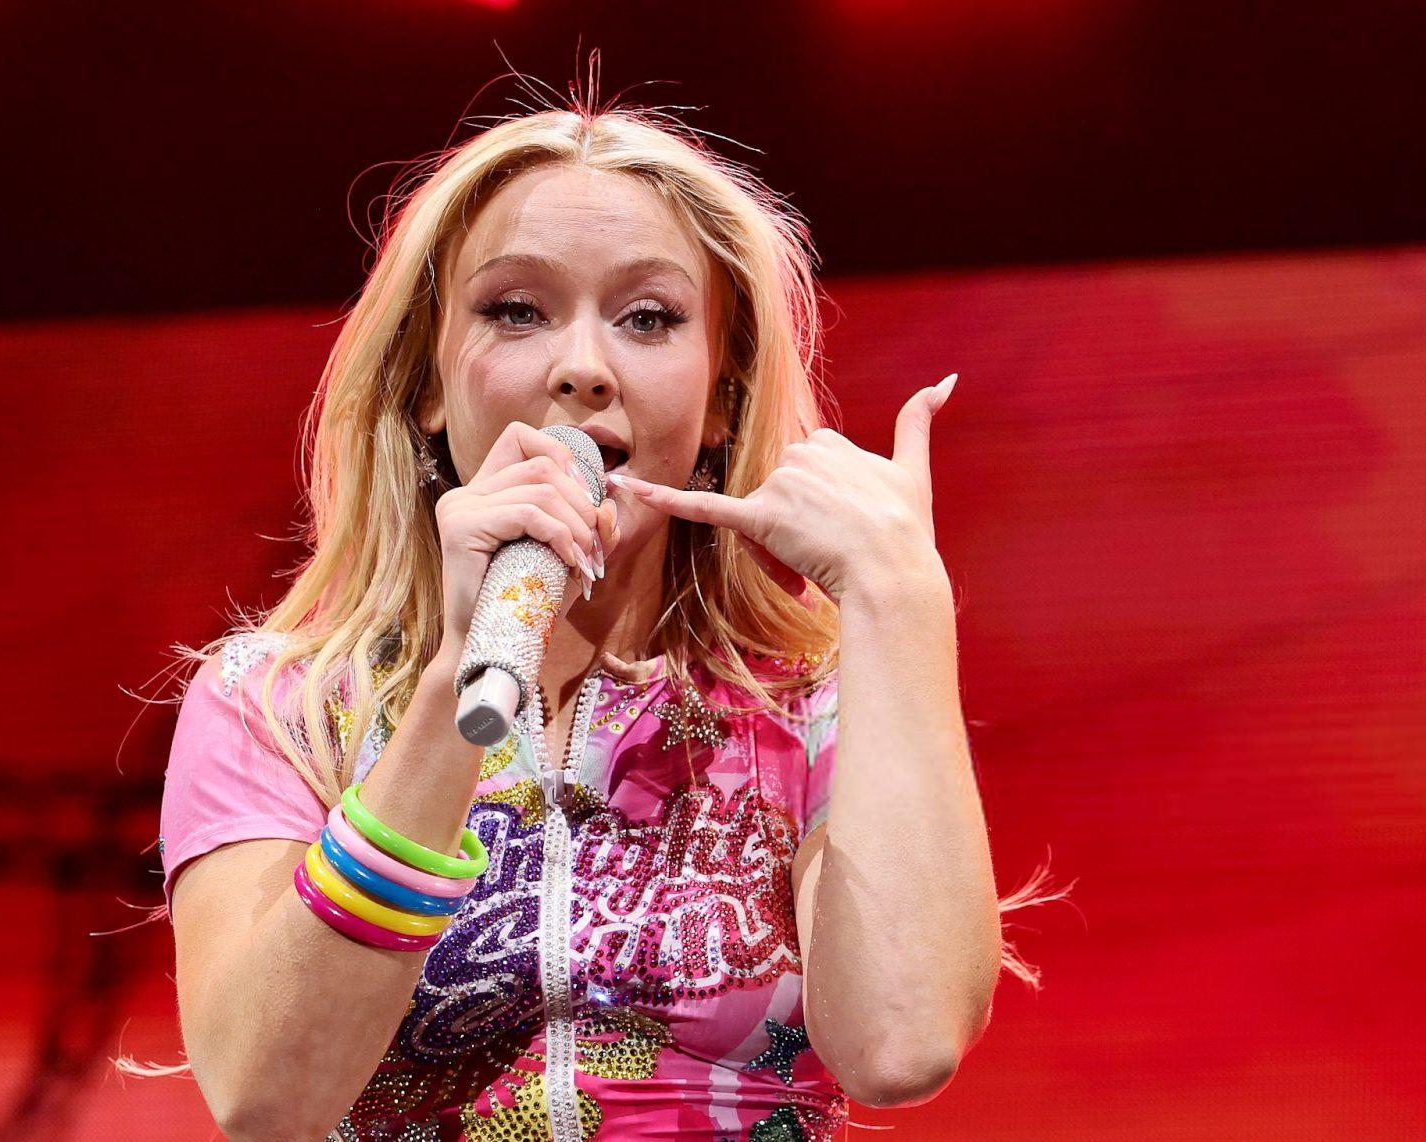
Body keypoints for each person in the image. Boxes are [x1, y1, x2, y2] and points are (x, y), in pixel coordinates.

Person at [152, 93, 1058, 1142]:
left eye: (648, 318)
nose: (582, 366)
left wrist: (899, 596)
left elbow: (902, 1043)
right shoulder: (277, 703)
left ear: (722, 400)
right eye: (515, 310)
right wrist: (454, 678)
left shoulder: (813, 699)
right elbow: (266, 1097)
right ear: (426, 386)